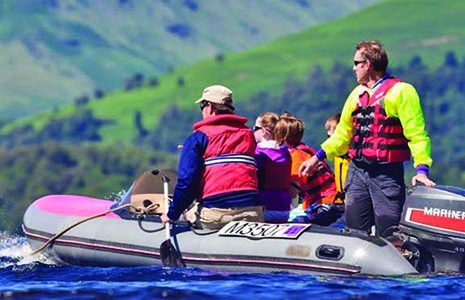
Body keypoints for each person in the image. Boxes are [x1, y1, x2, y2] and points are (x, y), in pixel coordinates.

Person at [299, 40, 435, 237]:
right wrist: (316, 158)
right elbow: (342, 136)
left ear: (368, 64)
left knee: (389, 230)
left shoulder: (402, 92)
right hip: (357, 171)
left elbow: (417, 135)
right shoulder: (356, 95)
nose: (353, 68)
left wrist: (421, 170)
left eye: (356, 63)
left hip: (386, 174)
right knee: (354, 229)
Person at [161, 85, 264, 229]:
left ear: (209, 107)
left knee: (187, 214)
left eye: (202, 106)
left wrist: (171, 214)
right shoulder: (248, 135)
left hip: (216, 214)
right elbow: (231, 159)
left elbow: (187, 183)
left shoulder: (198, 138)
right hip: (252, 212)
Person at [274, 112, 338, 225]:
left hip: (325, 202)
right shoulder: (303, 150)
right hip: (323, 200)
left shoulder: (296, 156)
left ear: (282, 138)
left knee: (292, 222)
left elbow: (291, 190)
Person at [253, 112, 293, 223]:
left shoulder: (258, 153)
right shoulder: (286, 153)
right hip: (285, 209)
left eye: (255, 128)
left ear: (264, 131)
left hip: (265, 209)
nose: (253, 131)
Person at [324, 113, 350, 204]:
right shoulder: (337, 157)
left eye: (331, 137)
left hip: (351, 203)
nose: (328, 141)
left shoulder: (353, 157)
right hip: (338, 202)